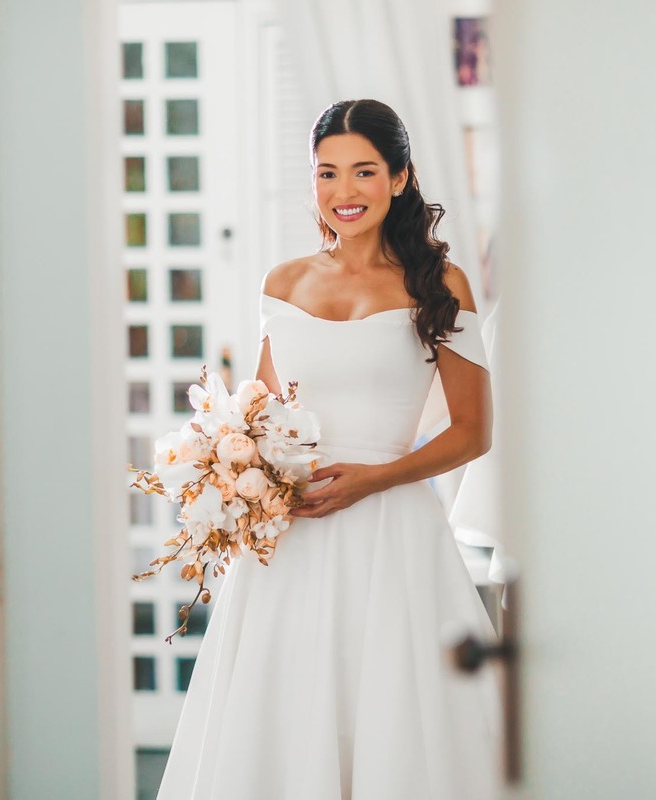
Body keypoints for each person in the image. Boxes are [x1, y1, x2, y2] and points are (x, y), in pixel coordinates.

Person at [156, 99, 502, 800]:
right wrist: (231, 471)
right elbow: (261, 413)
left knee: (395, 717)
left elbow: (473, 431)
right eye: (327, 173)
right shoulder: (283, 284)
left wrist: (374, 479)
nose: (344, 192)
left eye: (364, 171)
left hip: (390, 531)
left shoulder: (440, 287)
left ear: (400, 178)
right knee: (281, 715)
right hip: (293, 536)